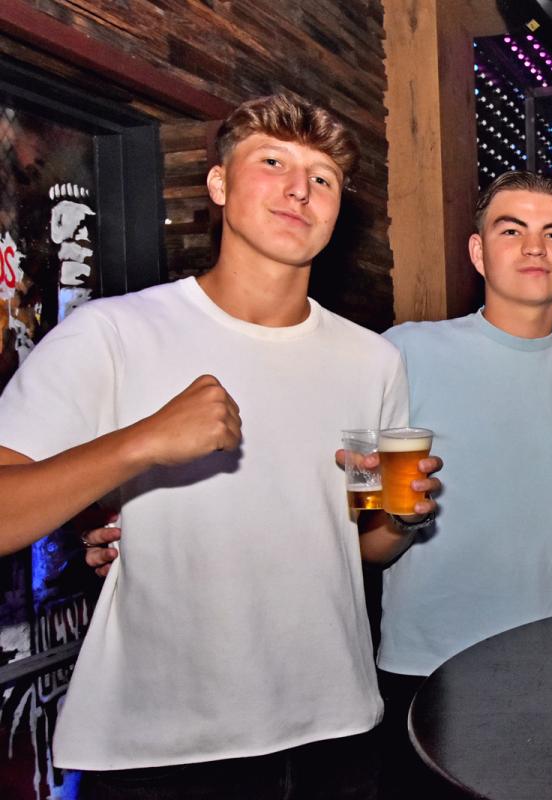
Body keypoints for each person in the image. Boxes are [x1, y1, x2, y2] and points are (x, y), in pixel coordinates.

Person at [0, 93, 440, 798]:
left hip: (335, 732)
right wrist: (141, 443)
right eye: (272, 163)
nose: (300, 189)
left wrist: (404, 517)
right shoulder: (112, 333)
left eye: (322, 178)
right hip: (161, 749)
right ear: (219, 184)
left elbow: (360, 548)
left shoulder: (372, 360)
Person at [373, 172, 552, 793]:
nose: (534, 247)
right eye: (512, 230)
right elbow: (354, 508)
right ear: (478, 252)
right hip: (431, 665)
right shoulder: (406, 353)